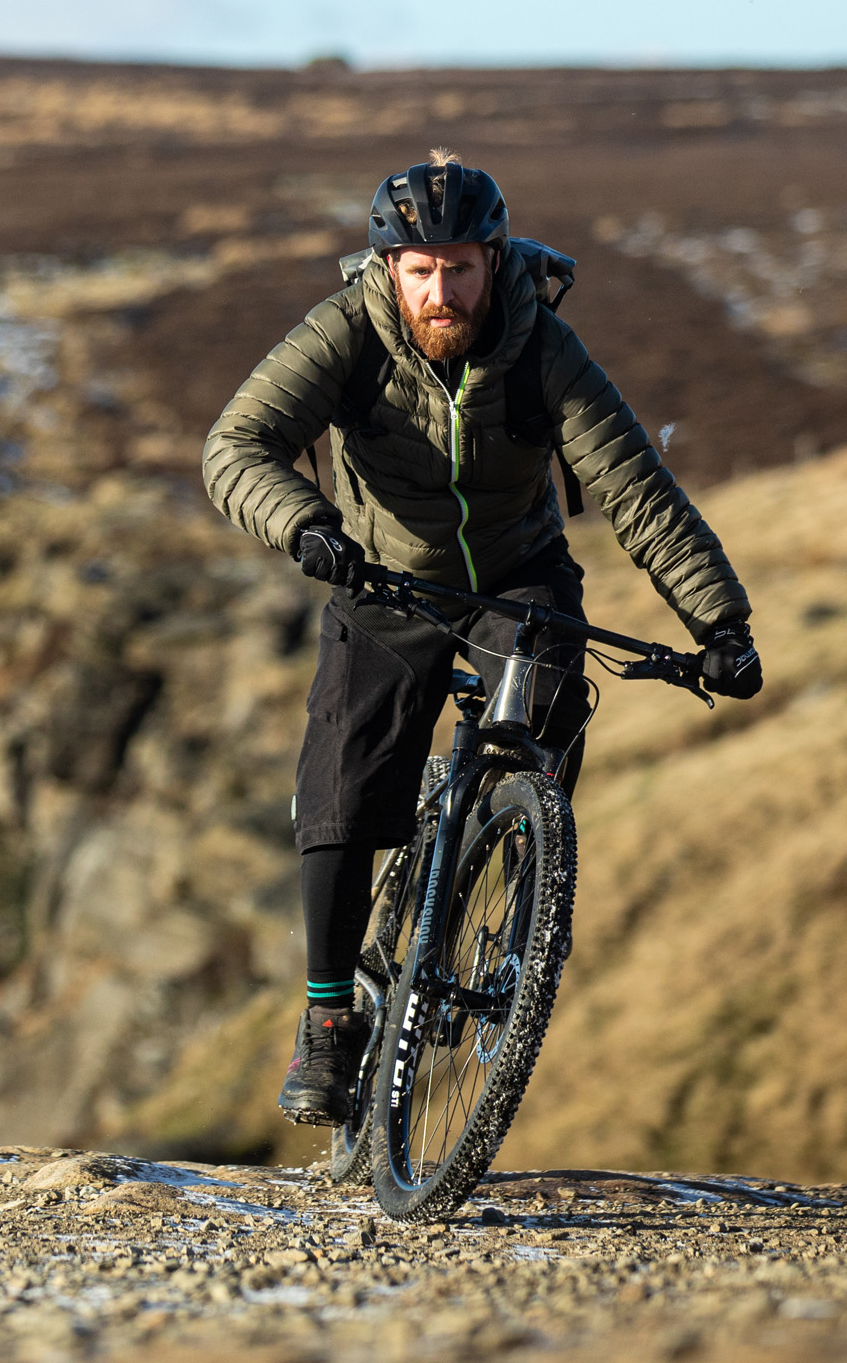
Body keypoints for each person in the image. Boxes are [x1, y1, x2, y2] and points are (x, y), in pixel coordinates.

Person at [200, 152, 763, 1128]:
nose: (440, 291)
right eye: (420, 269)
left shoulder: (542, 347)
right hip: (381, 578)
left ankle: (520, 902)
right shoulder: (347, 331)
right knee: (342, 789)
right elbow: (234, 446)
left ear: (494, 261)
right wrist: (308, 524)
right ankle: (329, 1020)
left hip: (515, 576)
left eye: (459, 268)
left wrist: (720, 622)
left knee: (549, 703)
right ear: (388, 268)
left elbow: (636, 488)